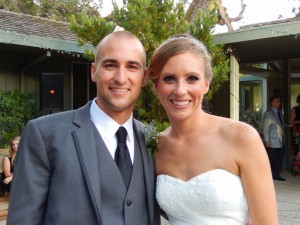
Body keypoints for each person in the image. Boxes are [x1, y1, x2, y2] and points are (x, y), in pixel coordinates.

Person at [7, 31, 161, 225]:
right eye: (110, 65)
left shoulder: (152, 139)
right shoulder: (44, 134)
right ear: (93, 72)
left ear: (144, 76)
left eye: (132, 67)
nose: (121, 78)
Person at [147, 34, 278, 225]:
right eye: (169, 79)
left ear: (206, 84)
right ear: (156, 86)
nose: (180, 90)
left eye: (192, 78)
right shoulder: (155, 146)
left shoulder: (241, 137)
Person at [263, 96, 286, 181]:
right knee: (272, 159)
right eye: (277, 101)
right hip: (272, 141)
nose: (279, 103)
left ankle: (276, 174)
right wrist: (267, 140)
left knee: (279, 158)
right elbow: (266, 128)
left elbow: (279, 125)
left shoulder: (279, 112)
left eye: (279, 101)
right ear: (272, 103)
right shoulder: (268, 113)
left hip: (281, 140)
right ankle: (270, 175)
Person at [289, 94, 300, 175]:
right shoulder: (295, 109)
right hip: (297, 132)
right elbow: (291, 121)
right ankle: (295, 168)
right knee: (297, 151)